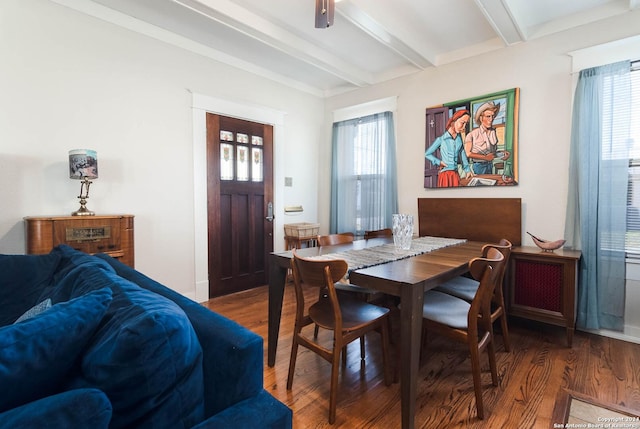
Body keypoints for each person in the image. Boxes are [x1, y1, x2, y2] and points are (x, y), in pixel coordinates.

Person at [425, 110, 474, 187]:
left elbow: (462, 155)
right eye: (462, 123)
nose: (464, 127)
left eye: (466, 124)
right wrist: (439, 162)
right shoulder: (441, 139)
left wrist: (467, 170)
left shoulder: (459, 139)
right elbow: (427, 154)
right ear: (454, 121)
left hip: (455, 174)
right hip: (445, 175)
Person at [464, 101, 510, 175]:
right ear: (481, 118)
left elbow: (492, 152)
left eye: (493, 116)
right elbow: (468, 153)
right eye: (488, 116)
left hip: (490, 165)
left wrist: (502, 153)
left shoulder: (493, 132)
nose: (491, 119)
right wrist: (485, 157)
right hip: (479, 166)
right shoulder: (472, 135)